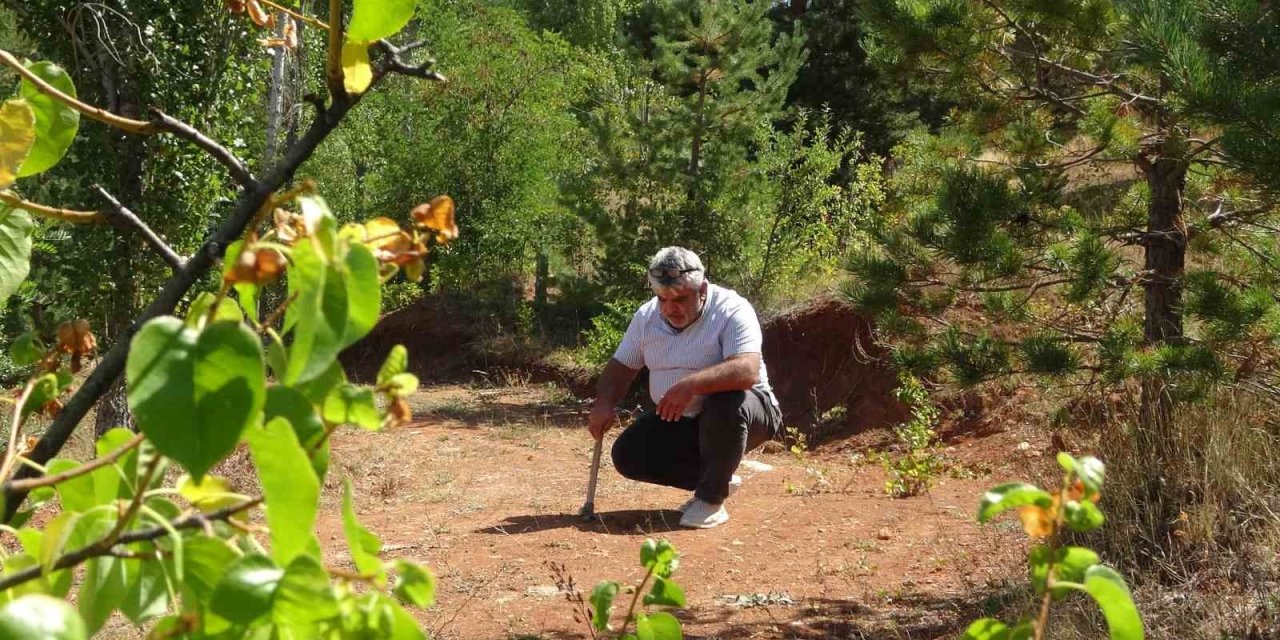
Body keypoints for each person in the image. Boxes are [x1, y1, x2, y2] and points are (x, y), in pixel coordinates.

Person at [587, 247, 782, 529]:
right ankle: (717, 475)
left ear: (701, 289)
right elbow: (620, 368)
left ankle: (711, 499)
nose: (669, 308)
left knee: (725, 401)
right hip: (684, 419)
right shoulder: (647, 317)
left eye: (680, 299)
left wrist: (691, 385)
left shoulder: (731, 309)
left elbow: (746, 370)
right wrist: (604, 402)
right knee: (628, 454)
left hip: (749, 412)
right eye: (662, 299)